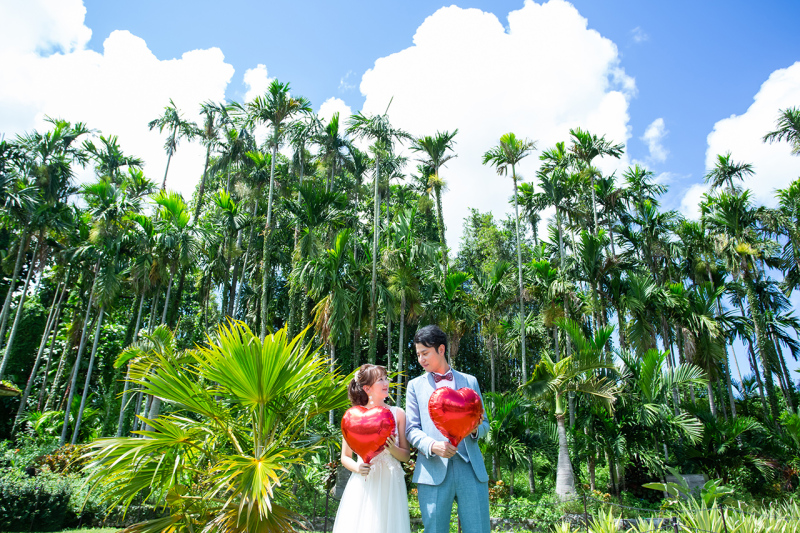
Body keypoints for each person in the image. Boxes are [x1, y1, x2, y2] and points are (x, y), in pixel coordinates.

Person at [405, 325, 491, 533]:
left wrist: (473, 430)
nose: (421, 359)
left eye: (425, 353)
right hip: (433, 470)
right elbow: (411, 429)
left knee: (478, 529)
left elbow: (485, 423)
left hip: (470, 469)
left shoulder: (470, 381)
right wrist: (433, 445)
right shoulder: (415, 386)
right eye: (418, 355)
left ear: (441, 350)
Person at [332, 364, 412, 533]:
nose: (386, 383)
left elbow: (406, 455)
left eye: (386, 378)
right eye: (380, 379)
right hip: (364, 481)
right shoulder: (354, 416)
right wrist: (358, 467)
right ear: (367, 388)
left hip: (391, 482)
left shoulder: (398, 413)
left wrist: (391, 448)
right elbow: (345, 457)